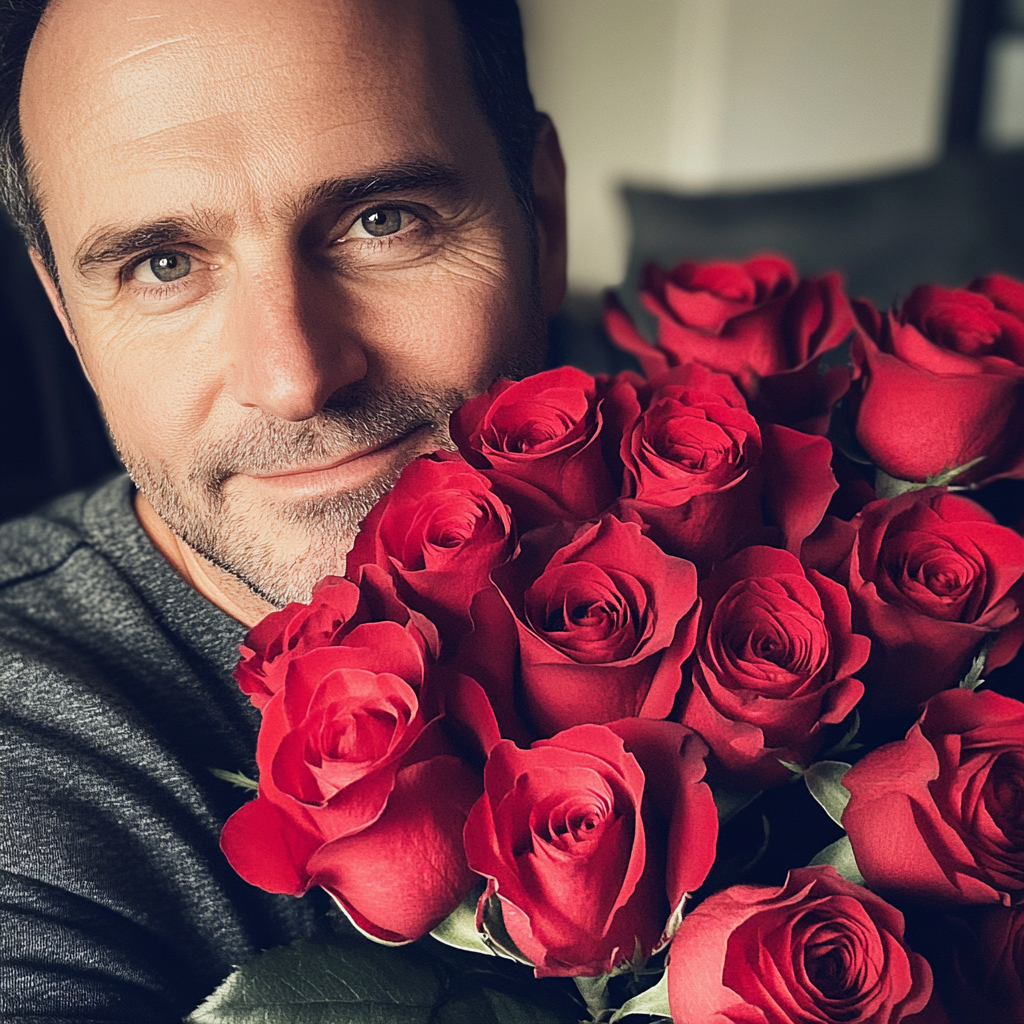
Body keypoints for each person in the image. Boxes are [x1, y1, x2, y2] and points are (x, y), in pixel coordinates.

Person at [0, 0, 567, 1018]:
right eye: (162, 264)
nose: (296, 375)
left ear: (545, 217)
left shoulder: (783, 539)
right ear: (68, 320)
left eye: (381, 219)